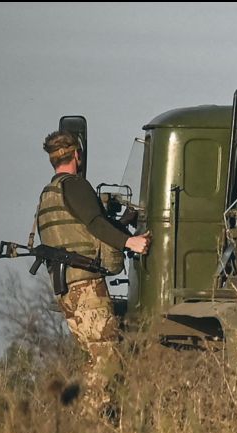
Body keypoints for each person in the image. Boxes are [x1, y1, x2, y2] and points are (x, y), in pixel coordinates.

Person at [37, 130, 151, 414]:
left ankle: (88, 415)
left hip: (66, 288)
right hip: (85, 287)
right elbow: (95, 225)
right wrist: (131, 241)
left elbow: (81, 230)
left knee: (95, 356)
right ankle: (85, 417)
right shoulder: (76, 186)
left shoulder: (49, 194)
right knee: (108, 358)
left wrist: (121, 223)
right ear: (77, 155)